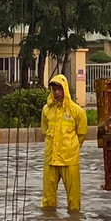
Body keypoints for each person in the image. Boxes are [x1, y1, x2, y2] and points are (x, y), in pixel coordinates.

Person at [40, 74, 87, 212]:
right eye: (54, 89)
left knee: (74, 199)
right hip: (51, 159)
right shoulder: (46, 110)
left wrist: (72, 148)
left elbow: (82, 134)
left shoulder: (77, 111)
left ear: (65, 89)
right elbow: (45, 131)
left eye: (59, 89)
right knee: (48, 199)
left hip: (69, 160)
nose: (56, 92)